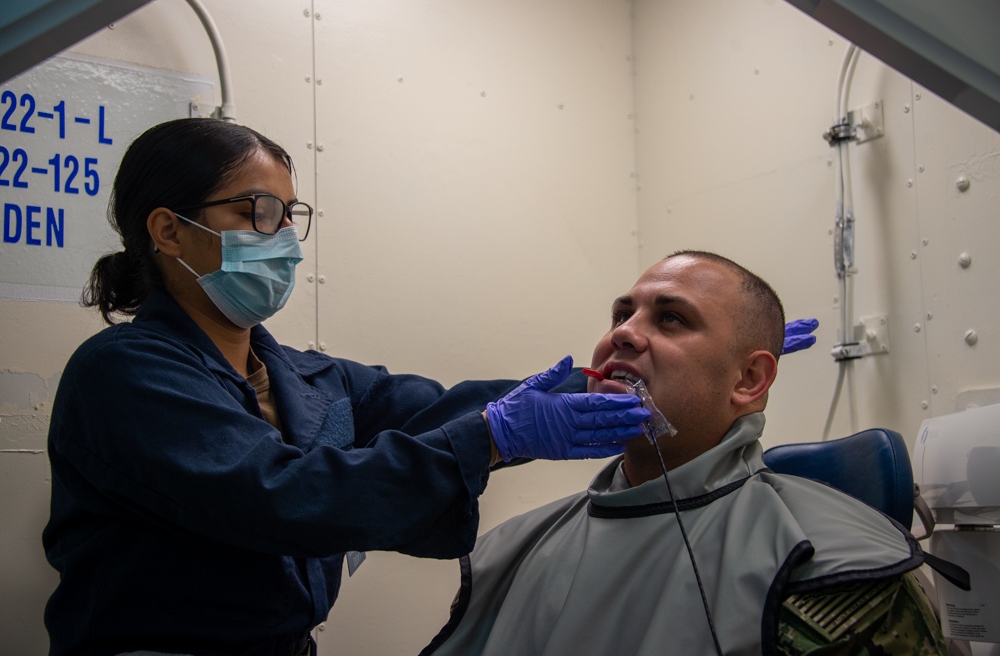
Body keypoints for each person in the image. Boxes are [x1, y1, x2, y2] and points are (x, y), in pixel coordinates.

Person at [41, 118, 653, 656]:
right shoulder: (125, 373)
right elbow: (282, 497)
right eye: (256, 212)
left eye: (288, 215)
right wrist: (492, 436)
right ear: (169, 231)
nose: (281, 239)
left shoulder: (307, 377)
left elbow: (434, 409)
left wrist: (596, 384)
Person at [422, 251, 950, 656]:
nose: (623, 333)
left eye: (671, 319)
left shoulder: (837, 571)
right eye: (620, 316)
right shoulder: (504, 551)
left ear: (749, 378)